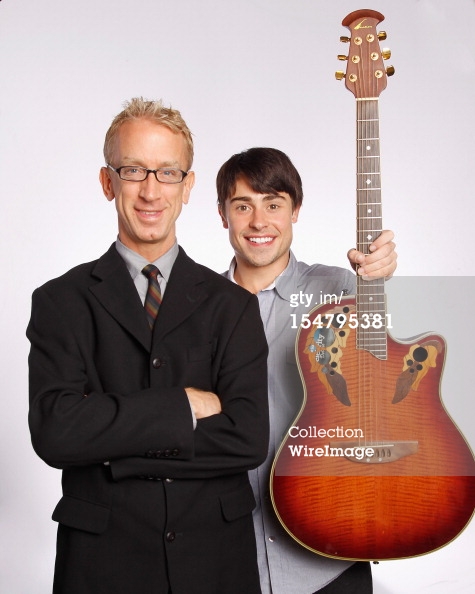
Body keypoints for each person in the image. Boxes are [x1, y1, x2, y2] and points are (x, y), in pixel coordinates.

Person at [27, 99, 269, 594]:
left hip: (216, 562)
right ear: (107, 182)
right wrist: (182, 406)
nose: (150, 191)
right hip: (101, 563)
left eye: (167, 172)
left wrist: (117, 452)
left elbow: (246, 437)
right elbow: (56, 431)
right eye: (134, 170)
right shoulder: (59, 301)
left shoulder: (233, 305)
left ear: (188, 187)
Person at [216, 147, 397, 594]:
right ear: (223, 215)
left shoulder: (340, 289)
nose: (259, 222)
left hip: (329, 556)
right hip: (229, 559)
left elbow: (387, 384)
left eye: (273, 204)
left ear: (295, 210)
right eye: (243, 206)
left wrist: (376, 284)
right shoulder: (199, 307)